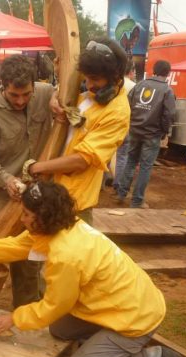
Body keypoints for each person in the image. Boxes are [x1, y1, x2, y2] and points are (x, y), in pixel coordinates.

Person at [0, 181, 181, 357]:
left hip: (134, 319)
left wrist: (14, 318)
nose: (22, 219)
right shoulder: (59, 227)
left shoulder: (66, 255)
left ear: (41, 217)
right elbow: (11, 247)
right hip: (113, 305)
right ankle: (103, 344)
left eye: (25, 214)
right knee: (60, 330)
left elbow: (56, 304)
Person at [0, 55, 55, 307]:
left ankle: (28, 311)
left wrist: (57, 100)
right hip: (1, 196)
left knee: (30, 258)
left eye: (26, 94)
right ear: (2, 85)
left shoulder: (45, 92)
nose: (21, 101)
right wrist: (7, 180)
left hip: (37, 194)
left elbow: (62, 94)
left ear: (34, 85)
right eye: (13, 95)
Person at [27, 38, 131, 225]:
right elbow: (65, 94)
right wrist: (54, 97)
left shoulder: (117, 113)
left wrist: (36, 167)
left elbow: (82, 160)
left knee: (72, 253)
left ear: (115, 76)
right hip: (52, 192)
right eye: (87, 77)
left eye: (95, 79)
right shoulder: (89, 95)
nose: (89, 84)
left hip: (74, 203)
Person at [116, 59, 176, 208]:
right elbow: (168, 115)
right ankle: (137, 201)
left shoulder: (140, 85)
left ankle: (121, 193)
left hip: (134, 130)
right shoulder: (167, 91)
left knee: (130, 161)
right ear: (167, 73)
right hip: (152, 134)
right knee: (145, 167)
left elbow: (127, 105)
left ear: (154, 70)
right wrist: (164, 131)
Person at [112, 59, 136, 193]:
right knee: (122, 156)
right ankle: (117, 185)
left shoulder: (113, 84)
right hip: (125, 124)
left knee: (105, 155)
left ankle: (100, 184)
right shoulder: (134, 86)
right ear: (131, 71)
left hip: (109, 121)